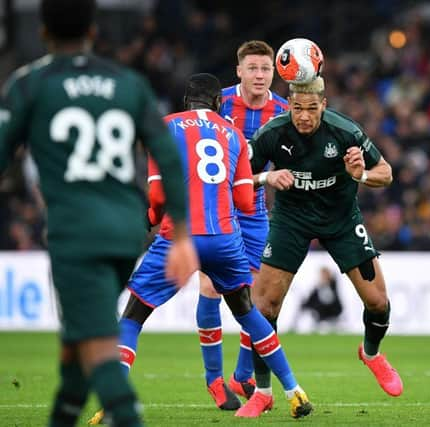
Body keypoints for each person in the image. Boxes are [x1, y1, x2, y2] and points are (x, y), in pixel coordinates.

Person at [0, 0, 199, 426]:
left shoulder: (29, 83)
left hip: (77, 234)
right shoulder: (128, 83)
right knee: (76, 349)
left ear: (43, 34)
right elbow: (168, 158)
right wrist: (180, 234)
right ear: (93, 31)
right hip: (128, 231)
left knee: (97, 348)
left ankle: (125, 415)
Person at [92, 73, 312, 423]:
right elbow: (243, 198)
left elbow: (159, 196)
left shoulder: (164, 127)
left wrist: (151, 215)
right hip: (224, 238)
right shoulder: (235, 134)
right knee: (248, 313)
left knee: (133, 316)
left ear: (185, 102)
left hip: (179, 238)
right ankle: (293, 390)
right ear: (218, 103)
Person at [235, 76, 403, 417]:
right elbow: (235, 177)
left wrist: (360, 175)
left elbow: (385, 172)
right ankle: (263, 392)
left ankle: (371, 354)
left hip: (340, 219)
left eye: (312, 109)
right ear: (290, 106)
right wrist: (266, 177)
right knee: (263, 307)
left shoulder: (345, 132)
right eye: (298, 108)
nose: (304, 116)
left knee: (378, 301)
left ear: (323, 106)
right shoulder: (273, 133)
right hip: (291, 220)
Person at [216, 39, 289, 398]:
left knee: (257, 294)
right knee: (210, 289)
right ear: (239, 71)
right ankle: (214, 379)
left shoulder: (284, 109)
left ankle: (242, 373)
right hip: (213, 207)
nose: (260, 75)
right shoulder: (221, 102)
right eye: (253, 68)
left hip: (254, 210)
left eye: (266, 69)